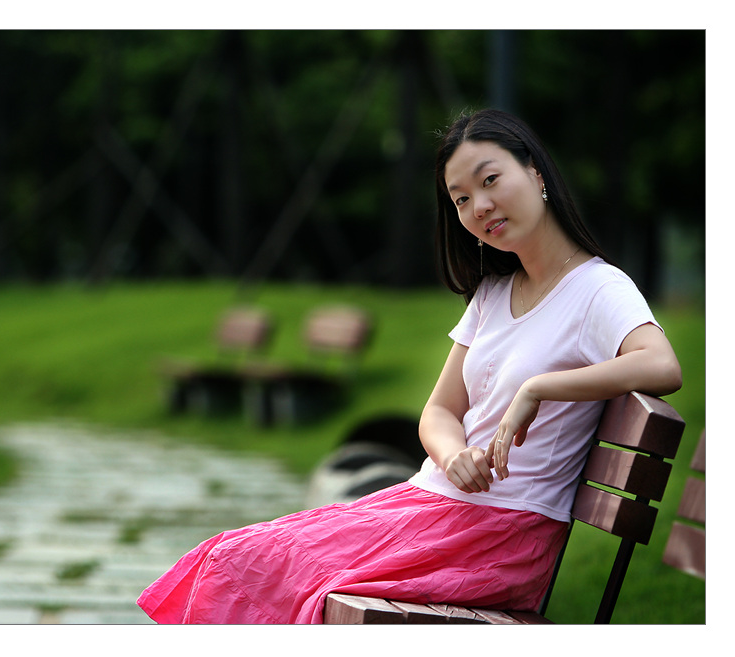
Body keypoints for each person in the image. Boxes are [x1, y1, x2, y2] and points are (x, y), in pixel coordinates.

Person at [136, 108, 682, 624]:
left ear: (536, 173)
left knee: (256, 565)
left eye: (490, 180)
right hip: (436, 504)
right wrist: (454, 455)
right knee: (232, 555)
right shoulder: (493, 294)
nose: (479, 206)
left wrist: (539, 388)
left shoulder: (597, 289)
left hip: (499, 535)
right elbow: (440, 412)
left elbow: (661, 364)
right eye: (461, 198)